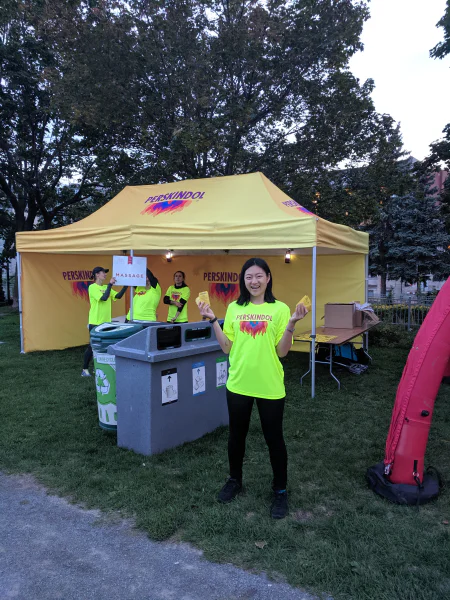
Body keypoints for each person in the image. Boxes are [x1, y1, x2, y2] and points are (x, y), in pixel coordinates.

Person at [197, 257, 307, 519]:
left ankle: (280, 490)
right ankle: (234, 480)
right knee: (236, 436)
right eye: (249, 277)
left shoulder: (280, 309)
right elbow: (227, 347)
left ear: (268, 278)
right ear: (243, 280)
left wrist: (291, 324)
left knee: (274, 439)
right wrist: (213, 320)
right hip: (239, 383)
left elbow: (282, 352)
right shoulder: (234, 308)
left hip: (270, 384)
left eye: (259, 276)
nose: (254, 281)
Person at [81, 266, 128, 377]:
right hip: (95, 322)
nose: (105, 274)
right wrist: (110, 284)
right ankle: (85, 369)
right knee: (92, 346)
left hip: (106, 323)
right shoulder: (92, 287)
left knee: (103, 346)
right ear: (97, 274)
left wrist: (126, 286)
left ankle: (97, 367)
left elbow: (118, 296)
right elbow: (104, 298)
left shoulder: (107, 287)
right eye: (103, 272)